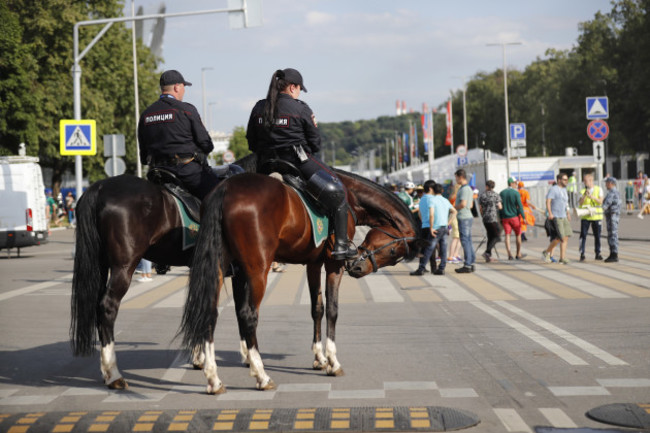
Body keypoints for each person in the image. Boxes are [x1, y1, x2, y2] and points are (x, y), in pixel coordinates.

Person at [246, 68, 356, 260]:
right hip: (296, 161)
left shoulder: (258, 107)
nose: (298, 92)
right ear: (292, 87)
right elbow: (315, 144)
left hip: (265, 164)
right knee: (338, 191)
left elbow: (251, 142)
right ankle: (340, 245)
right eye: (299, 89)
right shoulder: (301, 108)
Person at [138, 70, 219, 200]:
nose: (184, 91)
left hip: (157, 175)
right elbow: (207, 145)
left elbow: (143, 157)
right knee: (221, 196)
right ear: (176, 87)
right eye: (183, 87)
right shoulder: (186, 110)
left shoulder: (146, 114)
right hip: (187, 173)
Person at [410, 181, 456, 276]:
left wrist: (428, 224)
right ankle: (440, 268)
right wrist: (448, 223)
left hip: (431, 226)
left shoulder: (425, 199)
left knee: (428, 248)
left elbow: (427, 214)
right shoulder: (444, 200)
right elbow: (454, 211)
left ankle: (422, 268)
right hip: (443, 227)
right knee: (442, 248)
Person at [542, 173, 572, 265]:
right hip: (556, 216)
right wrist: (550, 213)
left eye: (567, 179)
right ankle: (546, 252)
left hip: (564, 216)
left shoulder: (564, 190)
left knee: (566, 237)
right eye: (564, 179)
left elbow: (565, 203)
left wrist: (567, 213)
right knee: (559, 237)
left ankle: (562, 258)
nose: (566, 181)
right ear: (559, 180)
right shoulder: (553, 189)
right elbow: (548, 201)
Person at [576, 173, 603, 261]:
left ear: (591, 180)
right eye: (584, 181)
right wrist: (584, 195)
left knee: (597, 236)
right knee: (583, 235)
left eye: (585, 180)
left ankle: (598, 253)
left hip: (596, 216)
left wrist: (592, 197)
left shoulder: (599, 189)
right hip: (585, 216)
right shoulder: (582, 191)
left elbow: (600, 201)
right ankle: (582, 253)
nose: (584, 182)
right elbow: (580, 203)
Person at [454, 169, 475, 273]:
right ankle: (471, 262)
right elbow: (470, 205)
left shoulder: (464, 189)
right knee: (468, 240)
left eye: (456, 177)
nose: (456, 179)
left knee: (465, 241)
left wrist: (454, 208)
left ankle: (467, 264)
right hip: (467, 216)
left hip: (464, 217)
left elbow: (463, 204)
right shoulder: (468, 188)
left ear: (460, 177)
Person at [499, 177, 526, 260]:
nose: (516, 185)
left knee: (507, 235)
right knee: (518, 234)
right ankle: (518, 254)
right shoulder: (516, 193)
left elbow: (499, 206)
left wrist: (500, 217)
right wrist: (523, 217)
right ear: (511, 183)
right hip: (514, 217)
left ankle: (509, 254)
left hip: (505, 218)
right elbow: (520, 206)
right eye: (515, 183)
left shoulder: (502, 193)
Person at [478, 180, 502, 262]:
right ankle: (487, 252)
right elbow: (500, 206)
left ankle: (488, 256)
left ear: (486, 186)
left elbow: (480, 208)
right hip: (493, 219)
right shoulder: (496, 195)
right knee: (497, 236)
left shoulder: (482, 195)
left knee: (490, 236)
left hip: (485, 219)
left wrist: (484, 214)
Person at [601, 177, 621, 263]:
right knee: (613, 234)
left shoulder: (612, 193)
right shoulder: (616, 192)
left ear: (610, 183)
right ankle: (612, 253)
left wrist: (597, 210)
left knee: (612, 234)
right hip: (613, 216)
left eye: (607, 183)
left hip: (612, 216)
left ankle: (614, 254)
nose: (605, 185)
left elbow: (606, 205)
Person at [447, 184, 462, 263]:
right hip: (455, 216)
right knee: (456, 237)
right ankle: (451, 255)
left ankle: (455, 254)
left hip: (452, 216)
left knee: (458, 237)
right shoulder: (457, 197)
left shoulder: (451, 197)